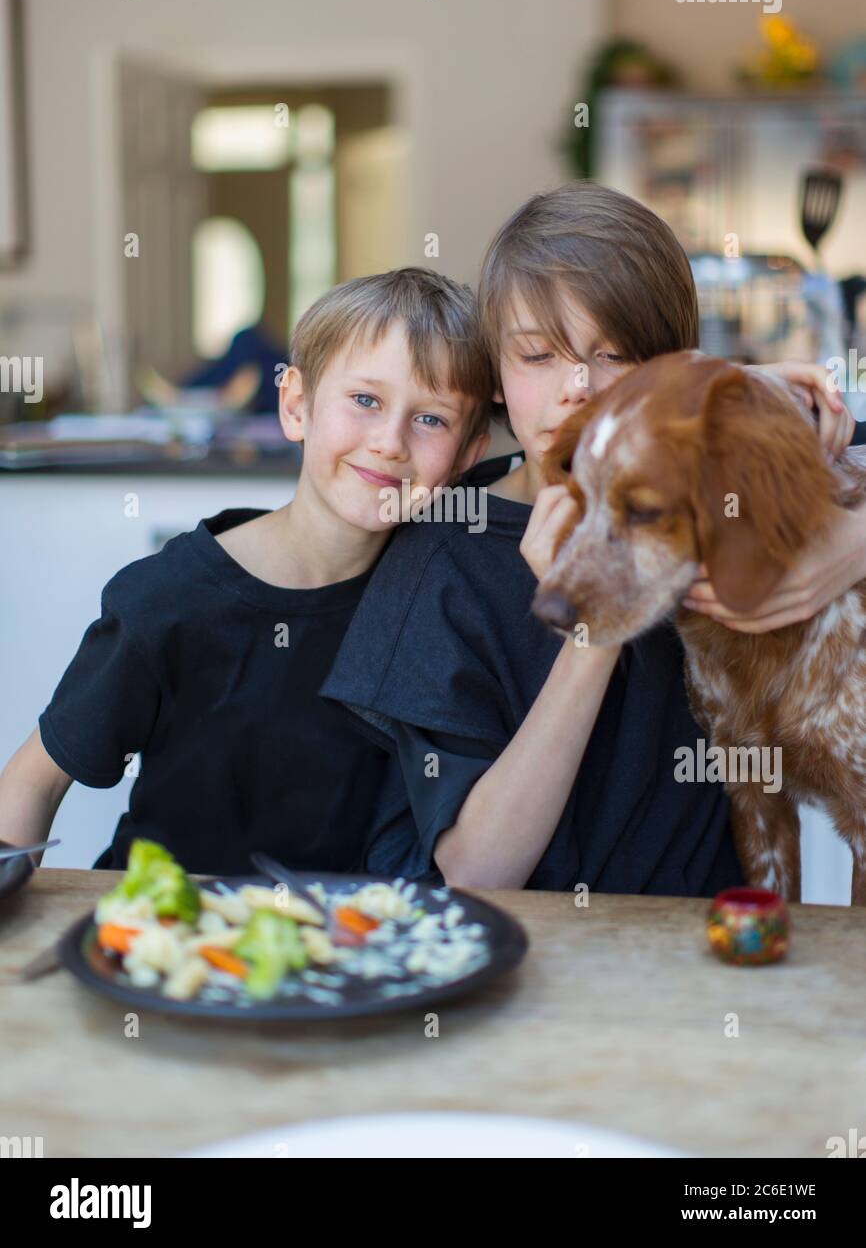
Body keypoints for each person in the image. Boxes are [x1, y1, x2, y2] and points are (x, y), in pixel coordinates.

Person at [320, 183, 865, 895]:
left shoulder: (722, 483)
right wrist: (590, 612)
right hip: (530, 968)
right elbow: (476, 872)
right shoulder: (444, 558)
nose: (578, 387)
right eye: (537, 356)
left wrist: (852, 539)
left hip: (713, 962)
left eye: (615, 355)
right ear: (493, 374)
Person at [0, 268, 493, 874]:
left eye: (431, 419)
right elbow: (32, 783)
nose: (391, 441)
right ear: (296, 405)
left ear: (468, 455)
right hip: (165, 937)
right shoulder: (167, 598)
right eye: (365, 400)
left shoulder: (443, 601)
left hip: (346, 949)